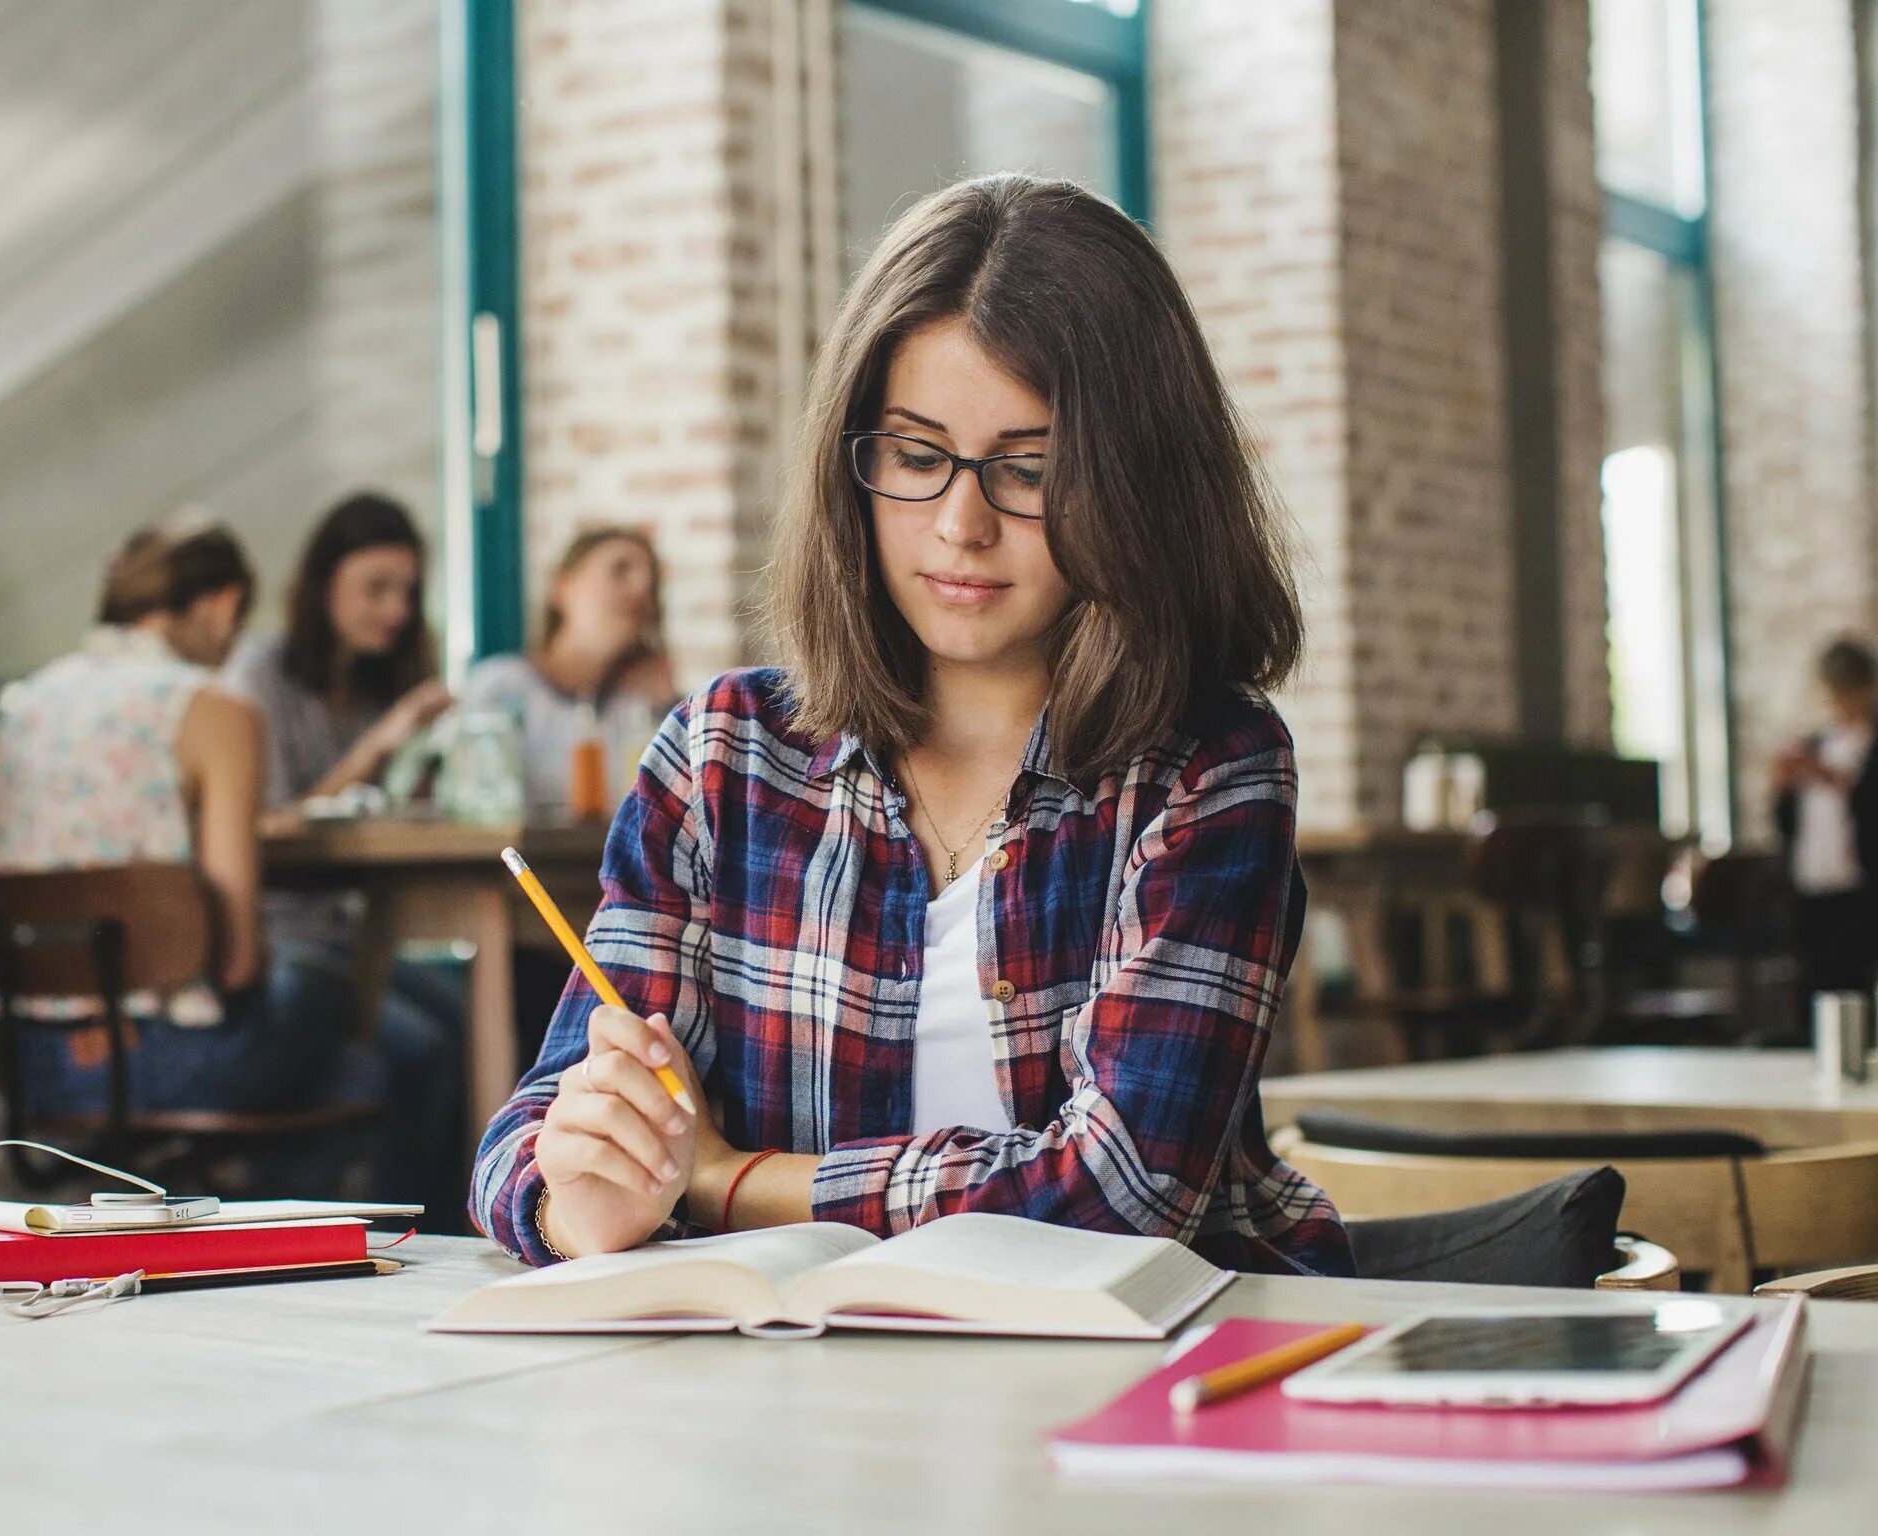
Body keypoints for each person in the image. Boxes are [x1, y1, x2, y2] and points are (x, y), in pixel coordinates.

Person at [471, 174, 1352, 1276]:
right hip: (801, 1386)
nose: (960, 524)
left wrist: (724, 1180)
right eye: (917, 456)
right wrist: (581, 1200)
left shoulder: (1209, 767)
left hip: (1144, 1384)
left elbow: (1123, 1195)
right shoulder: (722, 758)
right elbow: (529, 1137)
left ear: (1139, 487)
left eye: (1029, 470)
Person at [0, 517, 377, 1179]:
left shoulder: (27, 704)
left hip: (35, 1069)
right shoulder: (215, 708)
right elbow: (240, 961)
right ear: (220, 606)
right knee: (352, 1025)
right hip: (174, 1065)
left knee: (363, 1061)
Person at [223, 492, 465, 1220]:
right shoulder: (258, 677)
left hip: (356, 935)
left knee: (467, 1023)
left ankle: (445, 1225)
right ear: (324, 583)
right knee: (420, 1047)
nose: (395, 609)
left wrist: (420, 761)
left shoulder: (374, 683)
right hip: (282, 937)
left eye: (407, 591)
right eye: (376, 588)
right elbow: (263, 827)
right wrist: (378, 747)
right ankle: (402, 1232)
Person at [457, 527, 680, 817]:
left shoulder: (645, 704)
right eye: (620, 570)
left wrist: (669, 706)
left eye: (651, 582)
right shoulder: (501, 687)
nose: (641, 588)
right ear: (563, 587)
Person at [1773, 638, 1878, 1005]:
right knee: (1814, 985)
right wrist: (1783, 787)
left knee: (1856, 985)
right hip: (1813, 883)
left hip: (1861, 887)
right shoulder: (1815, 745)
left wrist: (1840, 784)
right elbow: (1791, 821)